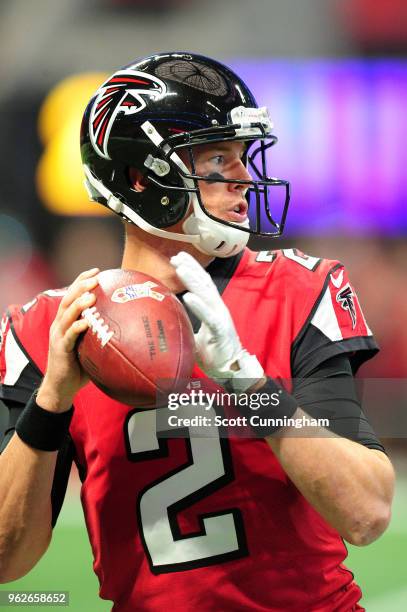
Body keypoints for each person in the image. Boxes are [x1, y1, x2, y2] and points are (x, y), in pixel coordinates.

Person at [0, 52, 394, 611]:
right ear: (142, 178)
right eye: (217, 158)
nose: (244, 178)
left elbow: (367, 514)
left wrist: (250, 386)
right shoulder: (51, 329)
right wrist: (50, 402)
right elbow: (5, 561)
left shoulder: (298, 290)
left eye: (242, 156)